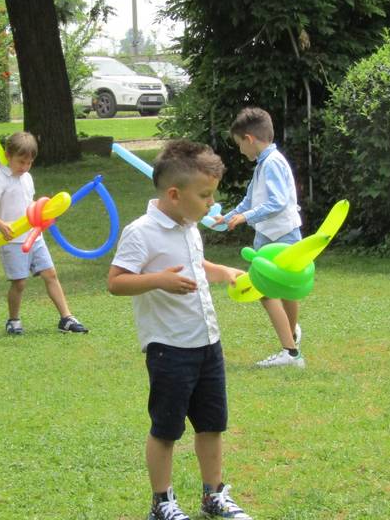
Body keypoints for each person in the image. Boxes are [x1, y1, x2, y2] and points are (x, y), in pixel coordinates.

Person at [109, 139, 253, 520]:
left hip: (207, 342)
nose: (210, 203)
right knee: (166, 429)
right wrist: (158, 280)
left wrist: (222, 272)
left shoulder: (188, 224)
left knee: (211, 424)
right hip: (169, 348)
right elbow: (116, 281)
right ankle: (162, 503)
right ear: (174, 194)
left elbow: (194, 262)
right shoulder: (141, 232)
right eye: (205, 195)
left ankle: (213, 495)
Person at [216, 107, 305, 368]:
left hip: (281, 235)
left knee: (265, 291)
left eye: (239, 144)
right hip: (274, 236)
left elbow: (277, 202)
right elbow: (250, 200)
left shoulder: (272, 163)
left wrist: (246, 218)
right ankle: (292, 338)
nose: (240, 150)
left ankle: (290, 352)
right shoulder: (265, 164)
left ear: (249, 139)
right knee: (284, 290)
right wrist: (229, 216)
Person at [0, 131, 88, 335]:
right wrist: (1, 225)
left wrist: (45, 217)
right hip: (13, 241)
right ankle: (13, 320)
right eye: (21, 162)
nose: (24, 167)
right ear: (7, 155)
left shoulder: (27, 178)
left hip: (35, 237)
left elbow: (30, 205)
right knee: (19, 283)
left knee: (51, 274)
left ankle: (66, 318)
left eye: (29, 163)